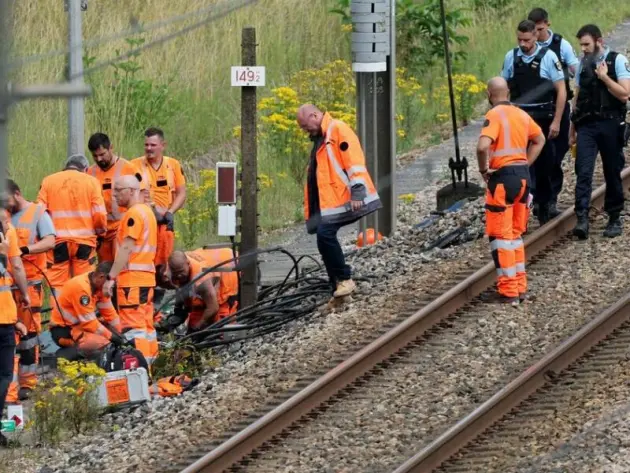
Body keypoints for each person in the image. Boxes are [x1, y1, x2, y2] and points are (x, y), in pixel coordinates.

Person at [296, 104, 382, 301]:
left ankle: (344, 279)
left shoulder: (337, 129)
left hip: (344, 198)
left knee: (325, 236)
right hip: (332, 201)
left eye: (304, 125)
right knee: (323, 237)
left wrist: (358, 192)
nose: (304, 130)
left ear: (314, 115)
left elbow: (354, 161)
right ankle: (337, 288)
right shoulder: (322, 137)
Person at [477, 77, 546, 305]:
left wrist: (483, 169)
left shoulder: (494, 115)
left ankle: (508, 292)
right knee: (515, 236)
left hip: (502, 180)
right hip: (523, 179)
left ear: (489, 95)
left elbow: (482, 146)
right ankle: (519, 287)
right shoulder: (521, 114)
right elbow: (539, 139)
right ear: (507, 92)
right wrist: (525, 163)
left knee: (501, 237)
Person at [501, 20, 567, 225]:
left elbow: (561, 90)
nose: (523, 44)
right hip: (520, 119)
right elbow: (503, 87)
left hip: (543, 120)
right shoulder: (511, 57)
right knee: (522, 166)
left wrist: (557, 121)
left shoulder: (548, 57)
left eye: (527, 40)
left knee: (546, 164)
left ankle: (545, 203)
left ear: (535, 36)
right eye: (519, 40)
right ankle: (525, 206)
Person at [570, 24, 630, 239]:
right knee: (583, 171)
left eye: (586, 44)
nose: (583, 48)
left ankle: (614, 217)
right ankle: (582, 218)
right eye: (581, 45)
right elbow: (577, 97)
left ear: (598, 41)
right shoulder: (582, 63)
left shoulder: (617, 61)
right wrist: (572, 128)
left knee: (612, 171)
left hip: (611, 124)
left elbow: (624, 95)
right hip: (587, 124)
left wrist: (604, 77)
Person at [5, 179, 55, 400]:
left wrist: (24, 249)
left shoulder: (38, 213)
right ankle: (9, 388)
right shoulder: (3, 216)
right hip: (6, 288)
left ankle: (27, 383)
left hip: (30, 284)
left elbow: (50, 241)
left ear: (17, 193)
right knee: (8, 338)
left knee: (29, 338)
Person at [37, 155, 107, 309]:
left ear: (65, 167)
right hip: (84, 243)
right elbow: (100, 214)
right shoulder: (91, 182)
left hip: (57, 243)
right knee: (84, 282)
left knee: (57, 286)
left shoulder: (49, 181)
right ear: (85, 169)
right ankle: (83, 318)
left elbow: (39, 213)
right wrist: (101, 233)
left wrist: (43, 238)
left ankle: (58, 322)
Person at [528, 8, 580, 216]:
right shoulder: (527, 48)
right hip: (534, 112)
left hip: (557, 108)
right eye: (535, 30)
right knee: (535, 157)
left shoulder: (561, 45)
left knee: (555, 156)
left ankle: (550, 198)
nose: (537, 34)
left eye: (540, 29)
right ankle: (538, 198)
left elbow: (576, 70)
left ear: (547, 25)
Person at [103, 175, 159, 367]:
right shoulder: (147, 212)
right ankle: (150, 367)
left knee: (134, 328)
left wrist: (111, 277)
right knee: (147, 327)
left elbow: (126, 248)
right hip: (146, 278)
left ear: (132, 191)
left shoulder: (133, 214)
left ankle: (139, 372)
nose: (114, 195)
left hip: (132, 281)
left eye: (119, 190)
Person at [131, 127, 186, 306]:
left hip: (165, 225)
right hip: (145, 223)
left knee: (164, 266)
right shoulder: (134, 166)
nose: (148, 148)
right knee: (145, 263)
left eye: (153, 145)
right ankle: (146, 302)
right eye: (146, 144)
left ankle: (161, 306)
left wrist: (170, 212)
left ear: (163, 145)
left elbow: (181, 193)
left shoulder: (173, 165)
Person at [87, 132, 144, 263]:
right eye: (95, 156)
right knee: (105, 270)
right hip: (102, 233)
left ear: (111, 148)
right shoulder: (90, 172)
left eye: (102, 154)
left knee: (122, 267)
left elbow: (142, 198)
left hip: (122, 229)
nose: (99, 159)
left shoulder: (129, 168)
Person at [49, 262, 125, 359]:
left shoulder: (100, 286)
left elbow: (110, 315)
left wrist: (121, 335)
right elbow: (89, 324)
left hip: (80, 326)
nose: (113, 286)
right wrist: (112, 337)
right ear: (101, 277)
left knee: (108, 334)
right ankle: (65, 355)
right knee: (103, 342)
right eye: (112, 282)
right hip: (64, 330)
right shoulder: (81, 288)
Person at [159, 248, 239, 333]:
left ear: (188, 264)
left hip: (229, 270)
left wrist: (198, 326)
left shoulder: (201, 279)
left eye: (181, 272)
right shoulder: (172, 269)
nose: (179, 275)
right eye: (176, 273)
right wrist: (178, 313)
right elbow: (181, 291)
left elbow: (213, 307)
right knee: (193, 327)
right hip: (206, 269)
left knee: (218, 330)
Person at [0, 209, 30, 431]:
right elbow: (15, 267)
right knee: (3, 375)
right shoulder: (3, 258)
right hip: (2, 323)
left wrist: (16, 320)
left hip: (7, 320)